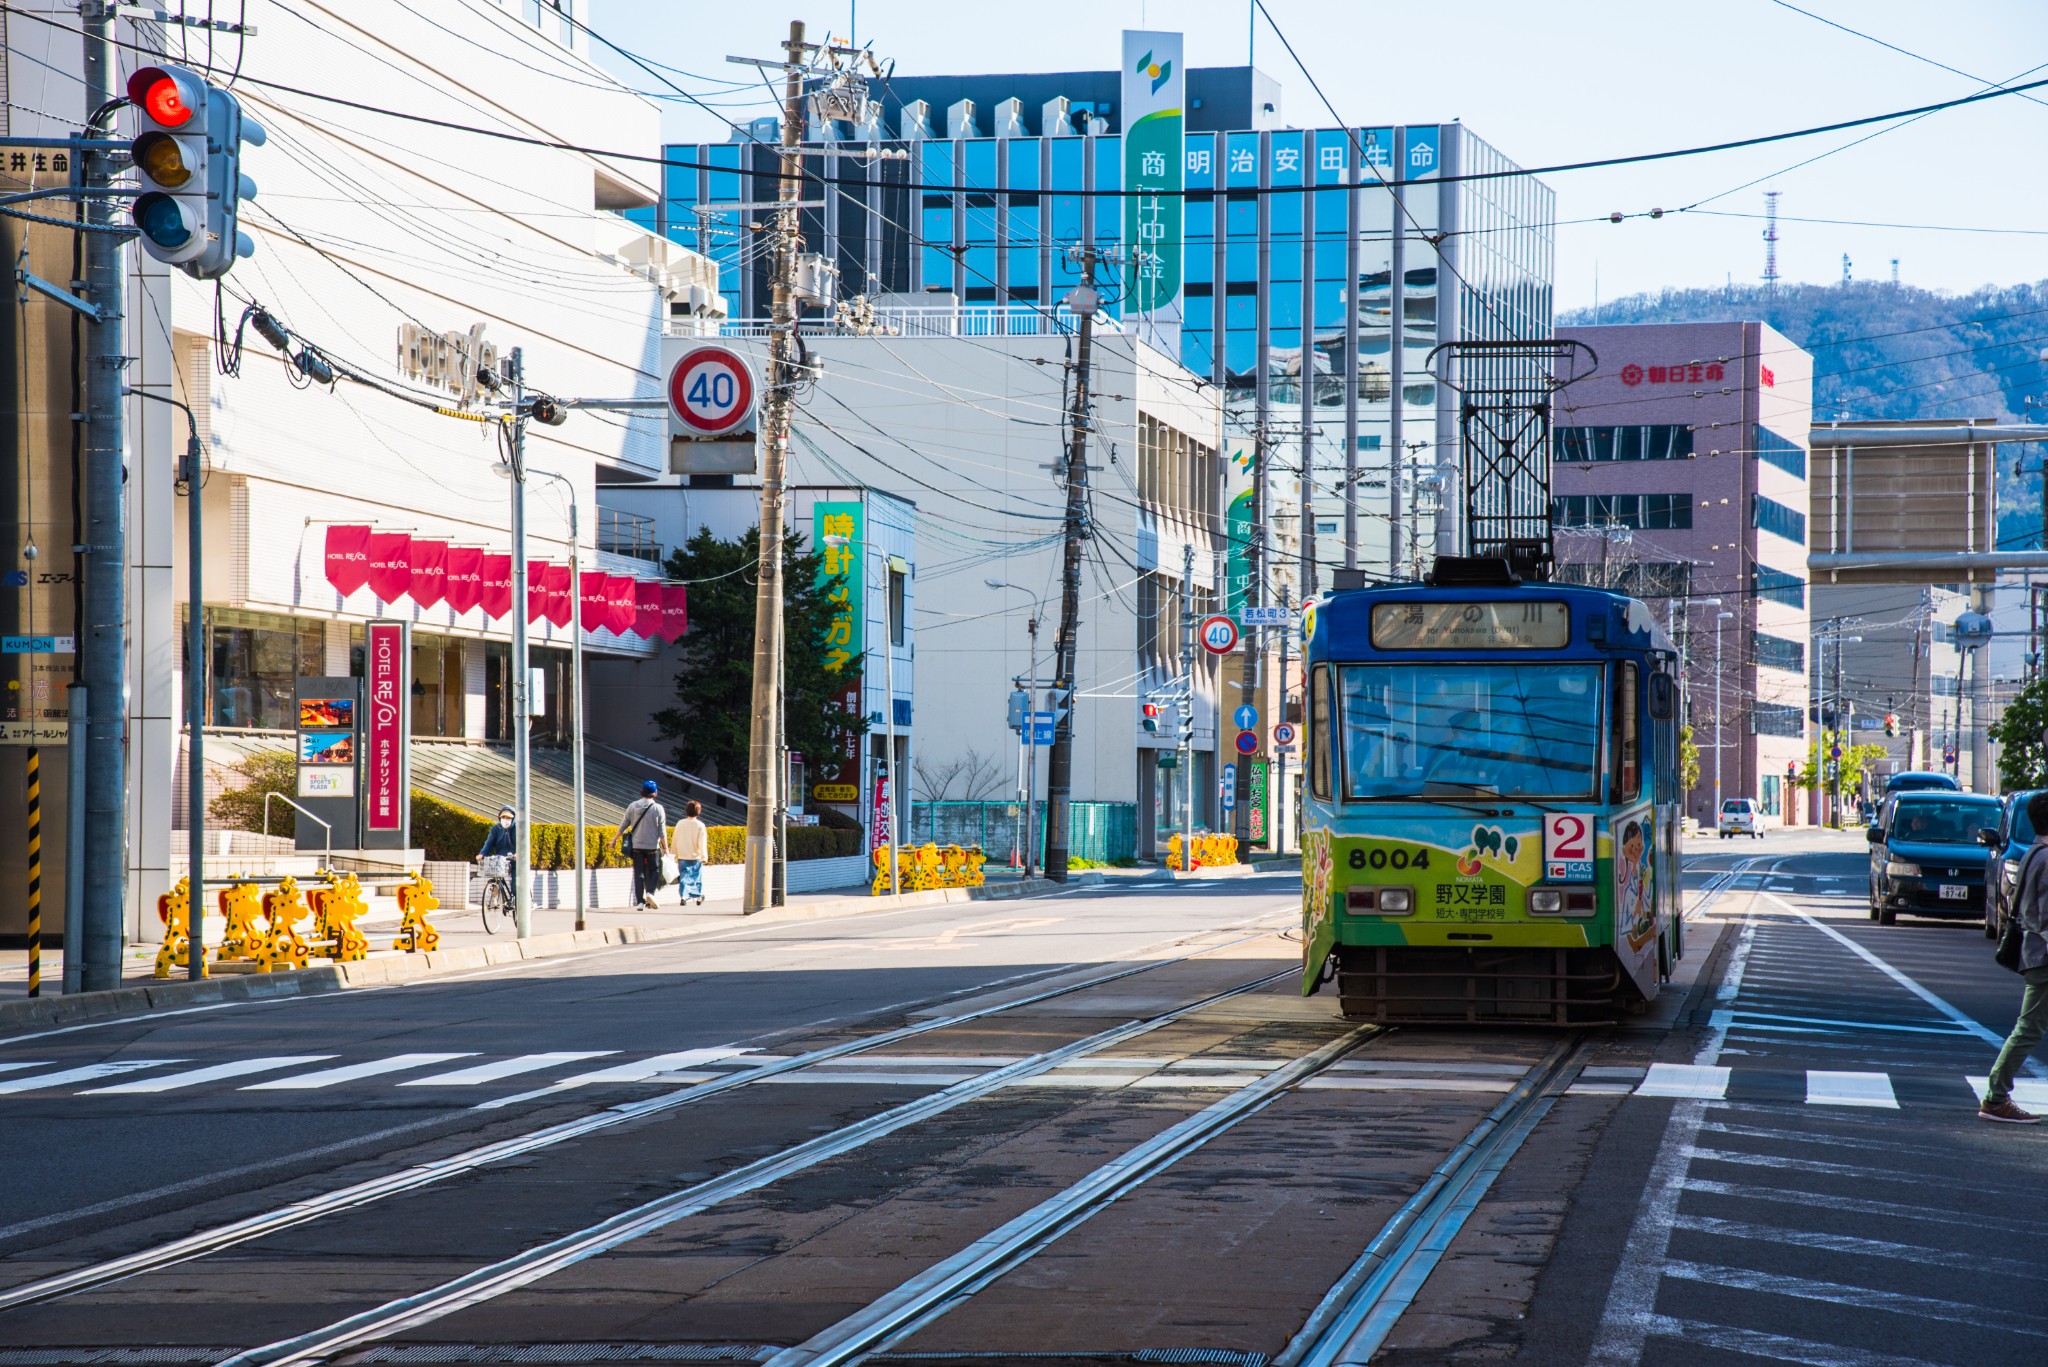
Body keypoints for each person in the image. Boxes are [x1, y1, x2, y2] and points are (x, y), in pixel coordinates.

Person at [1982, 790, 2048, 1123]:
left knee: (2030, 1027)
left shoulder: (2033, 853)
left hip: (2036, 953)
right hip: (2045, 956)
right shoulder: (2047, 858)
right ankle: (1996, 1097)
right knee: (2029, 1029)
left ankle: (1996, 1096)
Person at [619, 780, 668, 910]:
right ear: (655, 793)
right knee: (655, 870)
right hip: (652, 846)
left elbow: (624, 824)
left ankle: (640, 902)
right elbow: (662, 832)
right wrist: (666, 849)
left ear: (642, 792)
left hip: (636, 846)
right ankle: (650, 893)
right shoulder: (658, 808)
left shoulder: (633, 806)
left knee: (638, 873)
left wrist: (614, 839)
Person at [671, 800, 708, 906]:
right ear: (698, 811)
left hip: (682, 857)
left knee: (683, 877)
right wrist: (704, 856)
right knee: (696, 878)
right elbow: (702, 843)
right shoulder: (700, 825)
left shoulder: (680, 823)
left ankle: (683, 896)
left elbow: (675, 839)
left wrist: (674, 854)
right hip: (695, 857)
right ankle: (698, 896)